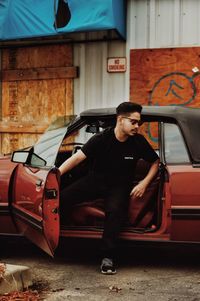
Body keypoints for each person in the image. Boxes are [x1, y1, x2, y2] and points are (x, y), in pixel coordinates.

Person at [59, 102, 159, 274]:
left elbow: (155, 162)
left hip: (119, 186)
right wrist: (56, 174)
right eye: (134, 122)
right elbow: (77, 158)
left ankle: (107, 257)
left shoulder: (138, 141)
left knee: (115, 212)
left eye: (139, 123)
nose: (137, 126)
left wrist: (144, 182)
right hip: (95, 181)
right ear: (120, 120)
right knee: (61, 198)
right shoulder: (101, 139)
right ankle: (55, 240)